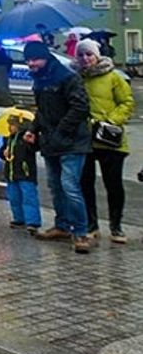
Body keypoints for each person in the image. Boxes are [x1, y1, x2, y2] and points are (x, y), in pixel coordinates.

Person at [23, 40, 93, 254]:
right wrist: (33, 129)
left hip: (72, 142)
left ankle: (81, 233)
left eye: (34, 59)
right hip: (51, 142)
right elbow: (42, 110)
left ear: (45, 58)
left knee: (70, 186)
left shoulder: (67, 76)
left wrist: (61, 130)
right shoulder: (40, 80)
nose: (30, 64)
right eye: (28, 60)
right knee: (55, 186)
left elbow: (81, 107)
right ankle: (62, 225)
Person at [76, 39, 134, 244]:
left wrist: (110, 121)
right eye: (81, 55)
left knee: (114, 185)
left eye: (89, 54)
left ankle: (116, 226)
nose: (85, 59)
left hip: (110, 139)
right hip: (84, 139)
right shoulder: (76, 78)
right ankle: (92, 225)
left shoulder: (113, 77)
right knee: (86, 184)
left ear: (97, 55)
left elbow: (127, 103)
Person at [1, 115, 41, 233]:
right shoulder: (7, 139)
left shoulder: (25, 138)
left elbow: (34, 147)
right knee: (14, 197)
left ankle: (32, 221)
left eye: (12, 124)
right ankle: (19, 218)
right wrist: (4, 153)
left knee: (29, 197)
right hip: (11, 173)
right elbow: (1, 153)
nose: (9, 127)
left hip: (26, 173)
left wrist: (31, 141)